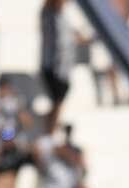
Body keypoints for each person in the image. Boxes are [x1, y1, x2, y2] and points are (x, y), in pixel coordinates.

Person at [40, 0, 77, 131]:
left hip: (63, 67)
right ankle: (49, 130)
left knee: (58, 103)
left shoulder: (62, 16)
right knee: (57, 102)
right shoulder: (49, 15)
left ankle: (51, 128)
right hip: (54, 66)